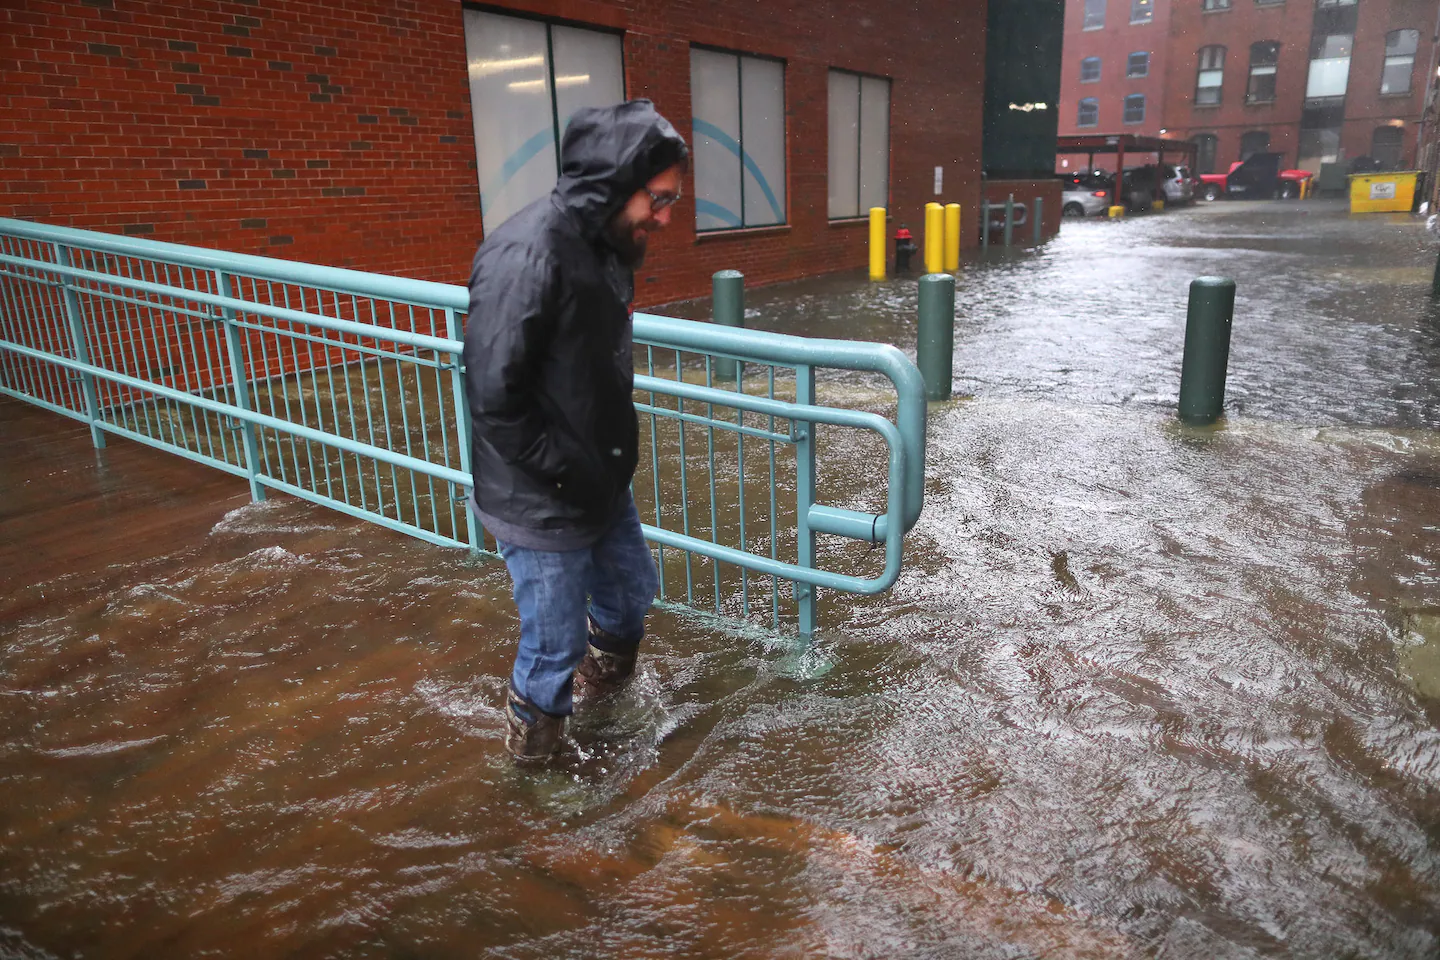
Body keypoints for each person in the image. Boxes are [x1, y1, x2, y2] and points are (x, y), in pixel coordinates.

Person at [463, 100, 688, 766]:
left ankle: (604, 688)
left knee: (629, 595)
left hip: (596, 478)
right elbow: (493, 397)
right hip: (540, 495)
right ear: (618, 183)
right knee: (553, 639)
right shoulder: (526, 256)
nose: (668, 218)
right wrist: (565, 468)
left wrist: (601, 465)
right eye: (660, 199)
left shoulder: (602, 241)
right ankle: (536, 758)